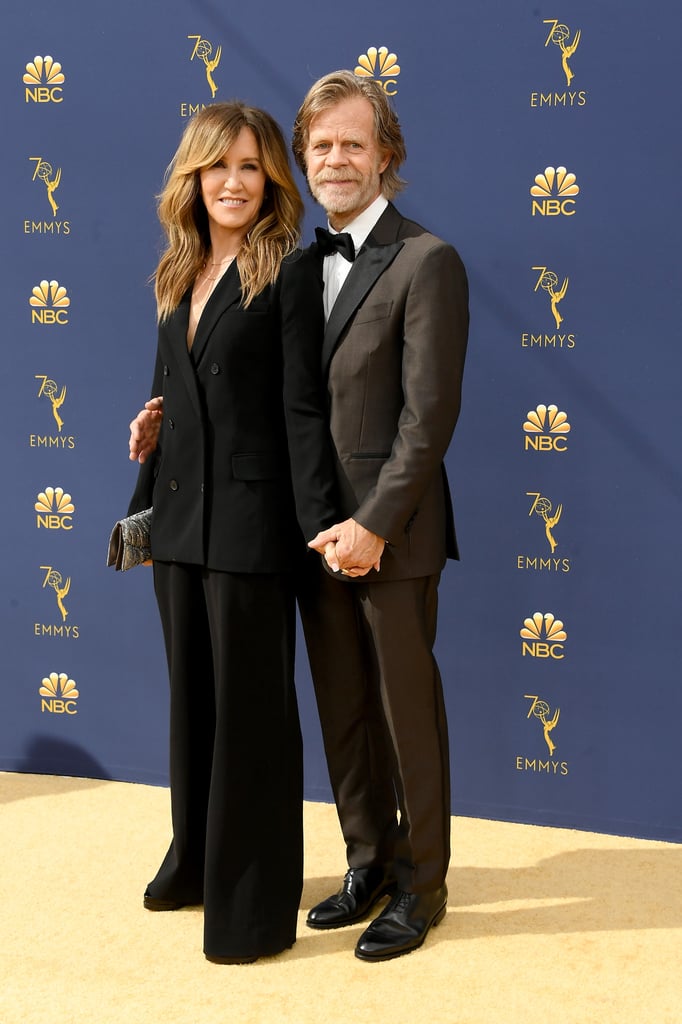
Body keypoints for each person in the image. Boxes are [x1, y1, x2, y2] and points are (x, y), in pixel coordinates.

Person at [126, 101, 336, 964]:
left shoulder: (288, 268)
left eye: (251, 167)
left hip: (253, 526)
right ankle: (198, 863)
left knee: (252, 717)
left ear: (272, 179)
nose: (234, 183)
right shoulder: (180, 268)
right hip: (178, 520)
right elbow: (173, 386)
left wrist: (320, 525)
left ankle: (252, 904)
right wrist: (151, 441)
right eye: (218, 167)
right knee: (194, 707)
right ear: (194, 177)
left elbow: (299, 408)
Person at [291, 70, 469, 962]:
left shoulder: (427, 260)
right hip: (314, 532)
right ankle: (367, 860)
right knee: (344, 711)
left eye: (352, 143)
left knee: (405, 712)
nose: (336, 159)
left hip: (391, 537)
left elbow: (427, 417)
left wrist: (374, 524)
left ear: (385, 156)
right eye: (320, 145)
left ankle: (421, 884)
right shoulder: (294, 262)